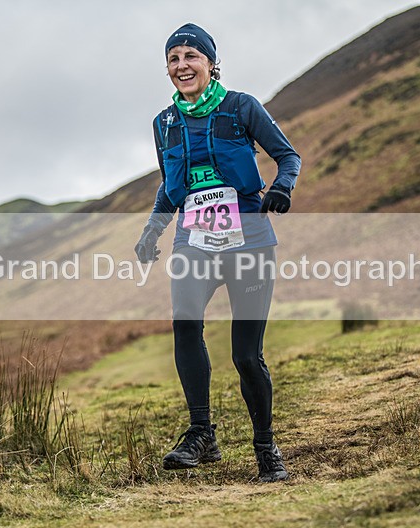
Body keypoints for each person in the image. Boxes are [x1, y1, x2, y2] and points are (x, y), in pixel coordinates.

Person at [134, 23, 301, 482]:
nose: (182, 65)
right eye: (173, 59)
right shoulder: (163, 123)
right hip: (194, 238)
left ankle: (266, 447)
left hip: (248, 236)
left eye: (191, 56)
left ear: (210, 63)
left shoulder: (240, 107)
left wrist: (282, 189)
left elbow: (288, 156)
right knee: (185, 323)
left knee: (246, 355)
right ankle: (201, 433)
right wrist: (152, 231)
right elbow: (170, 188)